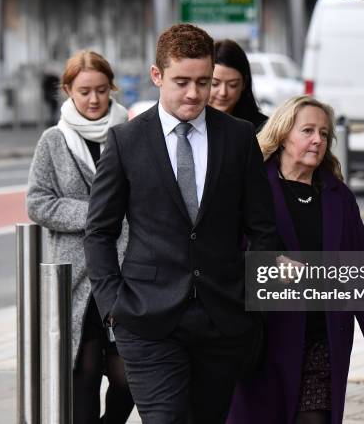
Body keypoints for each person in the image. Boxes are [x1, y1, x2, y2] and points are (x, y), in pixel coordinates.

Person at [84, 24, 281, 424]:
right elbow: (99, 230)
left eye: (203, 82)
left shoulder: (239, 137)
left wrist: (254, 303)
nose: (194, 93)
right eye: (182, 81)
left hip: (223, 320)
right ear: (157, 76)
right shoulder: (125, 141)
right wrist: (113, 307)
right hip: (146, 319)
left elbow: (262, 227)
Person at [226, 95, 364, 424]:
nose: (317, 140)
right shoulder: (251, 187)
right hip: (264, 340)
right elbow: (225, 254)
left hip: (323, 338)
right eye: (307, 130)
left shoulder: (338, 196)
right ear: (282, 134)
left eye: (323, 133)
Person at [26, 49, 133, 424]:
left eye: (101, 90)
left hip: (123, 272)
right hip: (75, 277)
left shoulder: (130, 134)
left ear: (112, 89)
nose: (93, 99)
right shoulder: (53, 141)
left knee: (128, 380)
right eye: (84, 91)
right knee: (83, 375)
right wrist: (95, 214)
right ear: (68, 90)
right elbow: (38, 203)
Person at [209, 39, 268, 131]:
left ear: (244, 83)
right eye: (215, 84)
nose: (223, 92)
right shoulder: (189, 125)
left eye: (233, 85)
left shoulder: (264, 129)